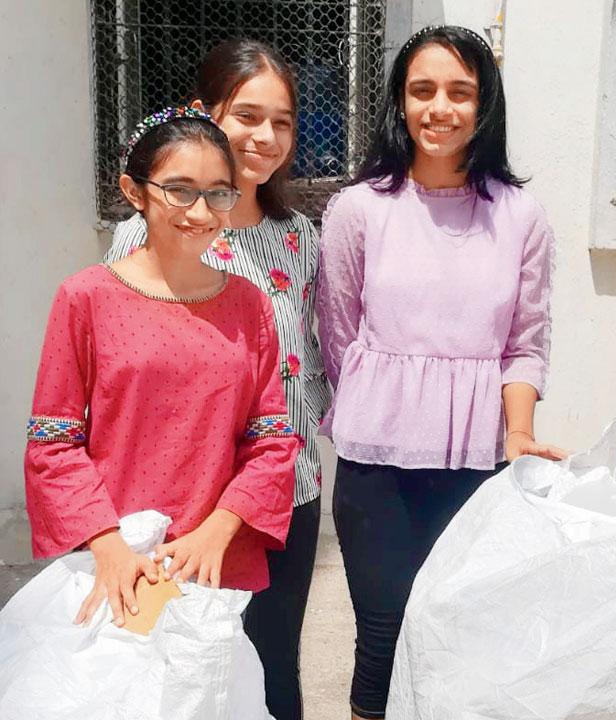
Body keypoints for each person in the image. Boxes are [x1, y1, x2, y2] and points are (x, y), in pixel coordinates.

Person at [315, 25, 562, 720]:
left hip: (480, 460)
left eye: (460, 92)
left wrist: (518, 430)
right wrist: (380, 402)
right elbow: (339, 335)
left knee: (464, 635)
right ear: (399, 101)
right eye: (422, 90)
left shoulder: (520, 216)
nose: (439, 108)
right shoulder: (358, 208)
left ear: (484, 105)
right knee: (384, 638)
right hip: (377, 465)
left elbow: (526, 341)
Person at [102, 38, 325, 720]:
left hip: (288, 490)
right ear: (205, 114)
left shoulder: (300, 235)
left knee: (270, 664)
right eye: (248, 115)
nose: (265, 136)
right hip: (182, 499)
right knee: (175, 670)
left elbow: (313, 360)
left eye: (282, 121)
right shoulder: (144, 238)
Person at [25, 106, 298, 628]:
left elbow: (271, 440)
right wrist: (108, 544)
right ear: (135, 192)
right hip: (116, 559)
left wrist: (219, 529)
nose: (200, 211)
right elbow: (53, 442)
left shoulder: (248, 304)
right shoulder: (86, 298)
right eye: (180, 189)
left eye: (219, 191)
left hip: (215, 561)